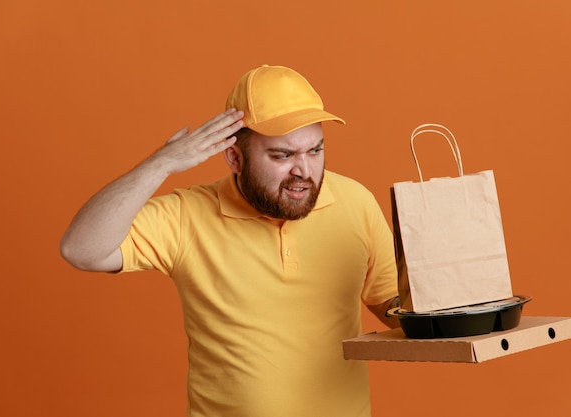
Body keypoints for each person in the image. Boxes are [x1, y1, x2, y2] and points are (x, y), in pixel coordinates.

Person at [60, 64, 400, 417]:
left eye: (315, 151)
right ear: (235, 157)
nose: (304, 170)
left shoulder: (355, 202)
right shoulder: (187, 215)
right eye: (282, 155)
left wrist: (449, 303)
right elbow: (81, 249)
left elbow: (396, 307)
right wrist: (161, 164)